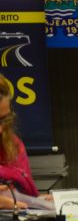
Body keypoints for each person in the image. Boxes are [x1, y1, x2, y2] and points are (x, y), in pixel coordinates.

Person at [0, 74, 37, 210]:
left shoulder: (10, 144)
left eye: (3, 119)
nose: (0, 129)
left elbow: (24, 197)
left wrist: (38, 202)